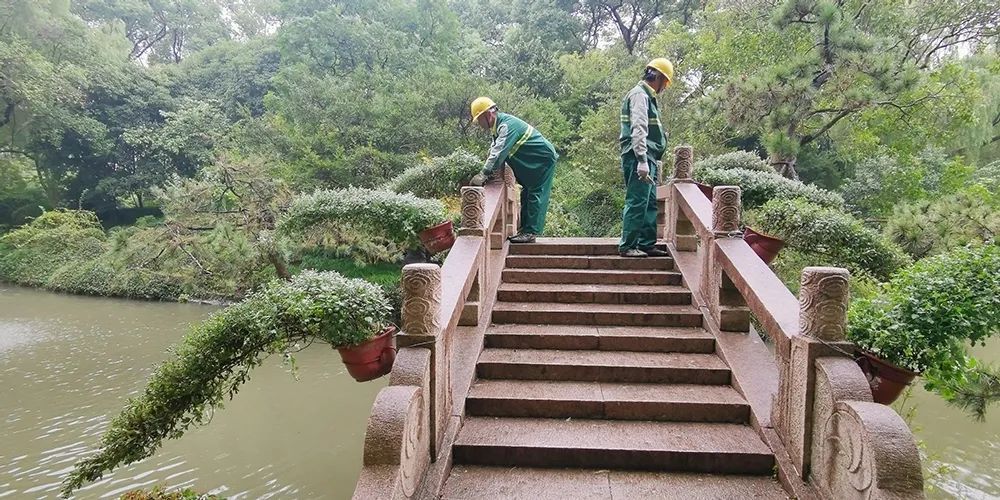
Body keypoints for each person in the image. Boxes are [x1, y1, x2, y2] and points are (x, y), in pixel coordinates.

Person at [469, 97, 558, 244]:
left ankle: (530, 232)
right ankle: (525, 230)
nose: (479, 123)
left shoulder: (507, 126)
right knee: (527, 191)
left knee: (535, 191)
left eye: (479, 119)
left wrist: (483, 174)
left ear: (488, 114)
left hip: (542, 157)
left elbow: (498, 153)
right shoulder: (498, 127)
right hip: (535, 158)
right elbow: (494, 148)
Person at [618, 58, 674, 258]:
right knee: (637, 200)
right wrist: (641, 159)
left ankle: (646, 243)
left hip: (649, 155)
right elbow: (639, 127)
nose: (664, 87)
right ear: (658, 77)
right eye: (665, 82)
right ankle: (628, 246)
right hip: (638, 155)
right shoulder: (639, 95)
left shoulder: (648, 97)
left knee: (649, 202)